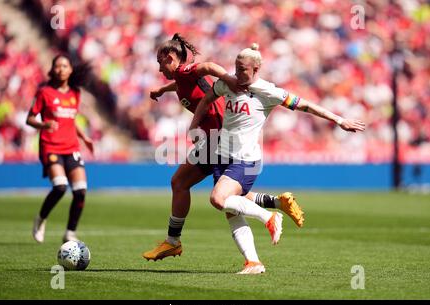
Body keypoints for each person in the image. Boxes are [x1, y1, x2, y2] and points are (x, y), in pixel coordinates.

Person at [189, 43, 365, 274]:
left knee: (218, 200)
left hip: (246, 160)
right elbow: (206, 100)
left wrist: (339, 120)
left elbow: (306, 105)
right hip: (223, 155)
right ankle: (253, 262)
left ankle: (270, 216)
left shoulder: (267, 91)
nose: (238, 73)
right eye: (236, 67)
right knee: (232, 212)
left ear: (256, 69)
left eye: (243, 69)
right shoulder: (227, 84)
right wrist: (193, 126)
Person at [143, 34, 305, 263]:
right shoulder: (181, 78)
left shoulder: (185, 71)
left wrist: (228, 79)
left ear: (170, 58)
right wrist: (162, 89)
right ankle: (277, 205)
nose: (160, 69)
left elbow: (208, 66)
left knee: (181, 183)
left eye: (161, 64)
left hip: (217, 139)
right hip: (219, 138)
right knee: (229, 197)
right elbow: (183, 83)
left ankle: (173, 242)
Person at [26, 54, 94, 244]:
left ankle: (70, 232)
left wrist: (85, 138)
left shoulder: (75, 93)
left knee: (80, 190)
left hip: (71, 146)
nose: (61, 69)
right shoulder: (44, 92)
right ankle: (40, 219)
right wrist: (43, 125)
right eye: (57, 66)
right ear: (52, 69)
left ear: (71, 70)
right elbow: (29, 118)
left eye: (65, 66)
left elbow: (70, 120)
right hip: (51, 146)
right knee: (60, 187)